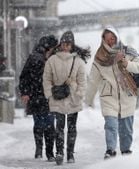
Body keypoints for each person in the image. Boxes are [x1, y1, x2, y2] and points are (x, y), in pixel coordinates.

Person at [85, 26, 139, 159]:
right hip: (108, 96)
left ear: (117, 37)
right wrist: (88, 99)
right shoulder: (100, 57)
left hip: (127, 94)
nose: (110, 42)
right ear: (103, 40)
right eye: (107, 40)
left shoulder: (128, 51)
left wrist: (126, 62)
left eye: (112, 38)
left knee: (126, 128)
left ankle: (125, 150)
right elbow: (93, 80)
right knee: (111, 125)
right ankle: (110, 150)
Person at [43, 31, 90, 165]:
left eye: (68, 44)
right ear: (60, 44)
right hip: (57, 97)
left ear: (72, 45)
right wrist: (49, 94)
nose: (65, 46)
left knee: (72, 128)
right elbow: (46, 79)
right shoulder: (52, 60)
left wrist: (80, 94)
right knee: (59, 127)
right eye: (63, 43)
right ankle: (60, 153)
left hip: (73, 98)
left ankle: (70, 154)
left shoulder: (79, 61)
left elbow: (83, 81)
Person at [19, 35, 58, 161]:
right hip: (43, 96)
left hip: (38, 96)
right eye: (53, 48)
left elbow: (24, 77)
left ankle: (40, 149)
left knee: (40, 123)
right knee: (48, 124)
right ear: (49, 48)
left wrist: (25, 92)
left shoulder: (36, 57)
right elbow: (25, 77)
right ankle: (48, 152)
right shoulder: (38, 58)